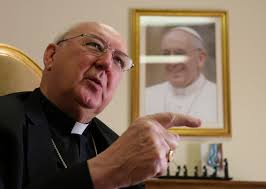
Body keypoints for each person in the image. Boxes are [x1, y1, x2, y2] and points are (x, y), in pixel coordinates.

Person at [0, 22, 201, 189]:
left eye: (119, 61)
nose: (106, 63)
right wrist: (99, 172)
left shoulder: (117, 147)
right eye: (95, 45)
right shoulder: (5, 121)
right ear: (51, 56)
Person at [145, 26, 217, 123]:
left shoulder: (217, 97)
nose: (172, 62)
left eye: (179, 53)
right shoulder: (147, 96)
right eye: (166, 54)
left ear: (200, 59)